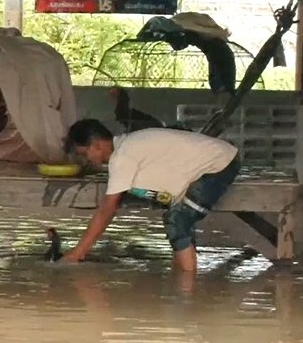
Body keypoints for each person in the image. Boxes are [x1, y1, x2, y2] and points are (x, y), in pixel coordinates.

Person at [60, 119, 241, 287]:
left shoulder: (123, 156)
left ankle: (188, 288)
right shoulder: (126, 146)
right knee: (180, 216)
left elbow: (107, 210)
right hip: (221, 158)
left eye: (84, 154)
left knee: (176, 220)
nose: (86, 160)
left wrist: (78, 253)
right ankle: (181, 275)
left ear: (96, 145)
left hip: (219, 165)